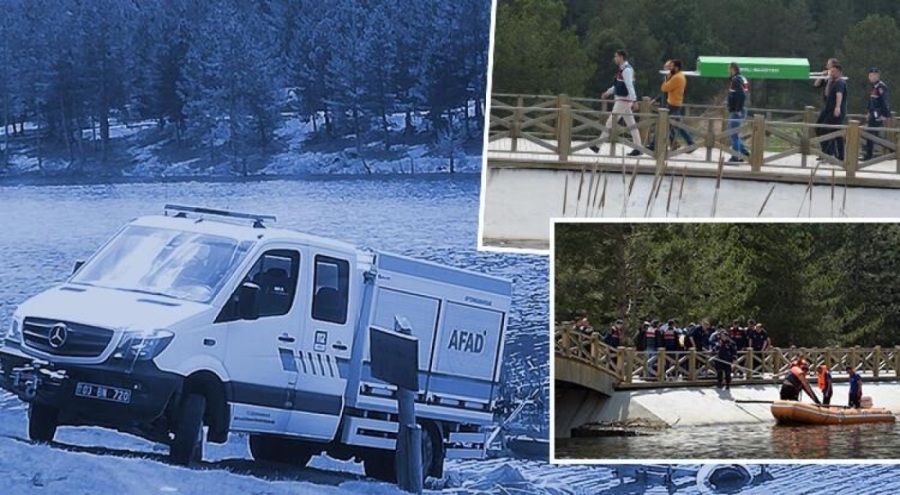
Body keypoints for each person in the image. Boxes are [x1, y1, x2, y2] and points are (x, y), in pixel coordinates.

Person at [596, 49, 643, 157]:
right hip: (624, 100)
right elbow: (617, 86)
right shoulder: (623, 70)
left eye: (616, 56)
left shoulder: (626, 70)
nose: (614, 58)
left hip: (623, 101)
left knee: (610, 122)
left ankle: (597, 146)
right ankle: (638, 148)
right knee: (632, 125)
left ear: (621, 57)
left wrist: (634, 100)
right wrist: (608, 92)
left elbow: (630, 86)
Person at [659, 59, 696, 151]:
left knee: (672, 124)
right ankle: (676, 143)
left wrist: (667, 78)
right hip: (674, 103)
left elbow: (664, 88)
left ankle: (690, 143)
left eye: (671, 66)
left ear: (676, 67)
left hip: (673, 105)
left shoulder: (676, 77)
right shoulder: (679, 76)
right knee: (670, 125)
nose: (670, 68)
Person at [863, 67, 891, 161]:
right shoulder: (874, 86)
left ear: (877, 76)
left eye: (872, 75)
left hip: (878, 114)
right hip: (873, 113)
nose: (870, 77)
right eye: (869, 75)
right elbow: (872, 101)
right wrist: (868, 112)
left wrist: (885, 115)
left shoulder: (881, 86)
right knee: (872, 134)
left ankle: (869, 155)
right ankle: (889, 150)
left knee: (871, 133)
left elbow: (885, 102)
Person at [822, 63, 848, 160]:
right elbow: (827, 93)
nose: (831, 73)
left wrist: (837, 107)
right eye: (830, 71)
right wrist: (828, 81)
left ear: (839, 72)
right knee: (833, 132)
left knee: (830, 131)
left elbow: (839, 95)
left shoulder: (841, 83)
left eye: (833, 71)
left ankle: (834, 154)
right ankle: (836, 155)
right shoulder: (832, 82)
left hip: (836, 112)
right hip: (830, 111)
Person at [814, 58, 838, 160]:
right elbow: (816, 85)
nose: (826, 66)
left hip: (832, 108)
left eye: (828, 65)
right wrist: (821, 76)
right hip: (825, 107)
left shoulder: (837, 79)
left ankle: (830, 153)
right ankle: (825, 152)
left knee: (828, 130)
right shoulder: (826, 77)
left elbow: (829, 93)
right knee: (818, 128)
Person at [727, 62, 751, 162]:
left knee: (733, 133)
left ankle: (735, 156)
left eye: (729, 68)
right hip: (742, 108)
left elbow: (741, 95)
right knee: (733, 133)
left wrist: (737, 109)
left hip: (737, 110)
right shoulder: (742, 78)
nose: (728, 70)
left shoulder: (736, 79)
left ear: (733, 69)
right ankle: (744, 152)